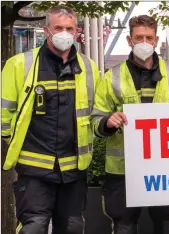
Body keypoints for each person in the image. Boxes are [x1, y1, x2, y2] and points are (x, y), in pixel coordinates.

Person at [1, 6, 100, 233]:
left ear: (76, 31)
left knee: (72, 228)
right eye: (58, 28)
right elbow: (3, 114)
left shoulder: (88, 68)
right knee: (33, 228)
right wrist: (12, 139)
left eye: (69, 28)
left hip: (74, 169)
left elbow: (96, 111)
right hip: (34, 170)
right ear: (46, 30)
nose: (63, 33)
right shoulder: (19, 65)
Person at [90, 15, 169, 234]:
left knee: (167, 224)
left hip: (164, 168)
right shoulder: (111, 77)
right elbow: (95, 120)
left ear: (155, 40)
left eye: (148, 37)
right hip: (122, 170)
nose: (144, 42)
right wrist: (108, 122)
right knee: (124, 226)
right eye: (138, 37)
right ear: (129, 40)